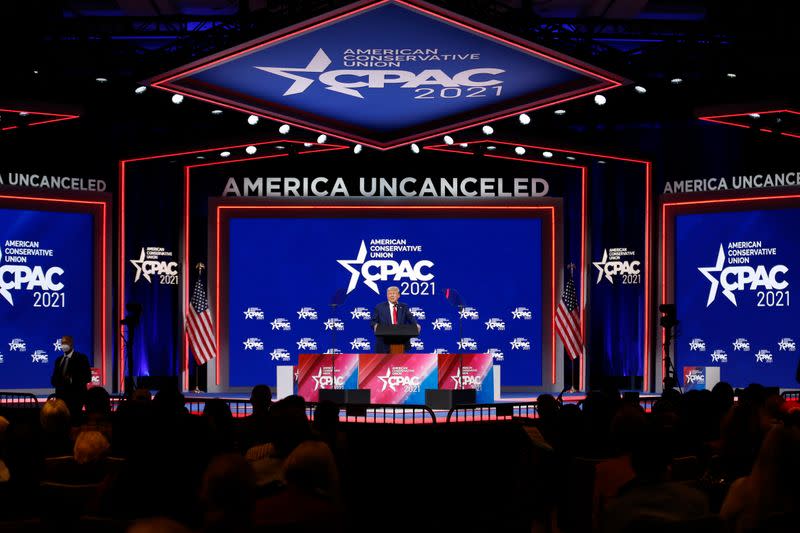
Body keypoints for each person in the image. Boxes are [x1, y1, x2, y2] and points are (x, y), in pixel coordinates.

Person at [50, 335, 92, 422]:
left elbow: (88, 377)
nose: (63, 345)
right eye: (62, 343)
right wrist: (57, 381)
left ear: (71, 344)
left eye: (65, 343)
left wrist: (71, 379)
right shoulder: (59, 360)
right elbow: (54, 379)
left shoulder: (81, 358)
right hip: (60, 402)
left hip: (75, 400)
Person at [370, 286, 419, 353]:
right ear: (387, 295)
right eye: (390, 294)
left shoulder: (404, 307)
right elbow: (373, 322)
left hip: (400, 341)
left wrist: (416, 325)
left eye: (394, 293)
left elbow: (411, 318)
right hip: (384, 343)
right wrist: (375, 326)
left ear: (398, 295)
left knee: (398, 361)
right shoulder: (379, 307)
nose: (392, 295)